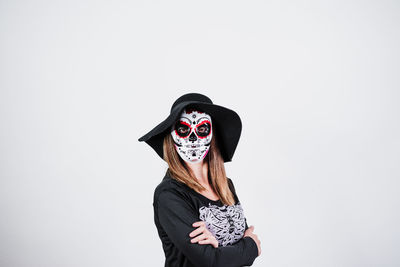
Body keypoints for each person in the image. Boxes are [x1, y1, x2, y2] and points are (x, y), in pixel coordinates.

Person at [138, 93, 261, 267]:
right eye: (183, 129)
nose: (193, 138)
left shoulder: (226, 185)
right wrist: (251, 247)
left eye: (202, 129)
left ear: (212, 135)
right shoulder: (169, 195)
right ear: (172, 137)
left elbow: (233, 246)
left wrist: (220, 249)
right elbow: (209, 261)